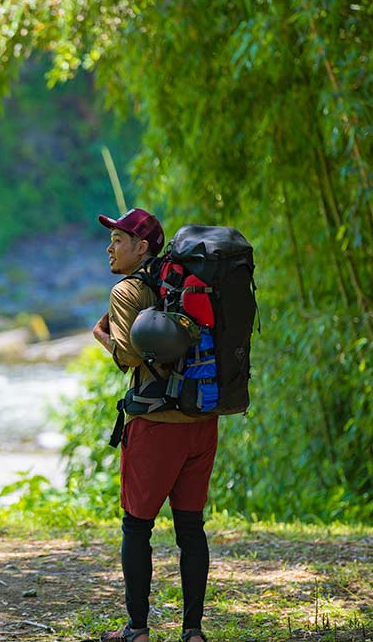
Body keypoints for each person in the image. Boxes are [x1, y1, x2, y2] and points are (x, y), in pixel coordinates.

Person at [91, 209, 218, 642]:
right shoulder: (188, 283)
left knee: (136, 527)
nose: (110, 248)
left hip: (156, 425)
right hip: (201, 420)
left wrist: (102, 336)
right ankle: (193, 631)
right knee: (191, 527)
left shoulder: (128, 290)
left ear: (141, 247)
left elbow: (129, 356)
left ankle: (138, 629)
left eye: (118, 240)